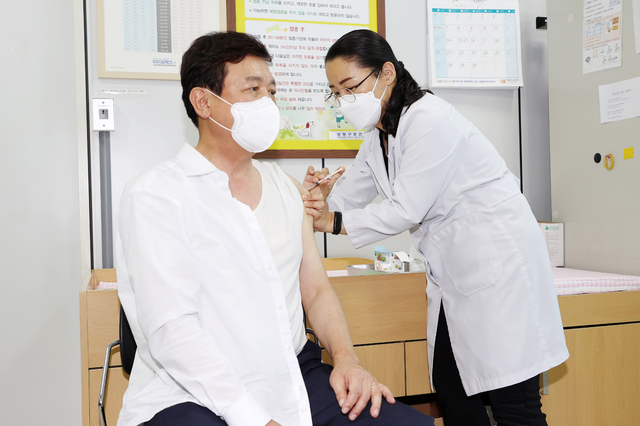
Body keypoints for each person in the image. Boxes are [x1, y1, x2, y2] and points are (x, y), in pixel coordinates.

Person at [114, 31, 434, 426]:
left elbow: (315, 290)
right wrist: (254, 418)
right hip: (189, 392)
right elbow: (172, 331)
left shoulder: (284, 188)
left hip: (291, 374)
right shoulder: (155, 196)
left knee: (406, 423)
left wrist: (347, 360)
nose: (268, 102)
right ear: (203, 102)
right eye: (253, 89)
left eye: (272, 90)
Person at [303, 29, 569, 426]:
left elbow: (405, 209)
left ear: (386, 73)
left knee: (516, 402)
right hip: (455, 277)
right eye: (335, 93)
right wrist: (318, 202)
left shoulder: (428, 119)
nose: (344, 101)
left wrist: (333, 221)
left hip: (499, 266)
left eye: (350, 87)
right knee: (453, 389)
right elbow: (346, 200)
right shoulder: (379, 139)